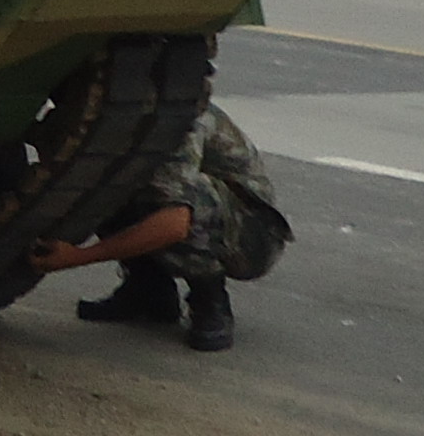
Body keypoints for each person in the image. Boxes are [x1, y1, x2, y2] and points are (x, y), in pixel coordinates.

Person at [32, 85, 289, 351]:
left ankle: (210, 300)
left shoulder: (174, 122)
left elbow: (176, 223)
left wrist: (77, 257)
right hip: (197, 213)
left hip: (251, 236)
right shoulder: (120, 115)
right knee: (104, 182)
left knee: (191, 200)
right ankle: (149, 291)